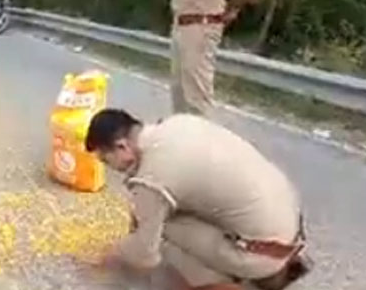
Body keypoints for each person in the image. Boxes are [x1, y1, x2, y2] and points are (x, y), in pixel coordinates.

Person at [85, 109, 311, 290]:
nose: (111, 168)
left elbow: (145, 255)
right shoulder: (179, 123)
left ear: (122, 147)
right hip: (292, 230)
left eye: (106, 160)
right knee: (171, 209)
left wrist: (114, 253)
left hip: (263, 254)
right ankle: (267, 267)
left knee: (161, 228)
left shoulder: (151, 177)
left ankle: (229, 281)